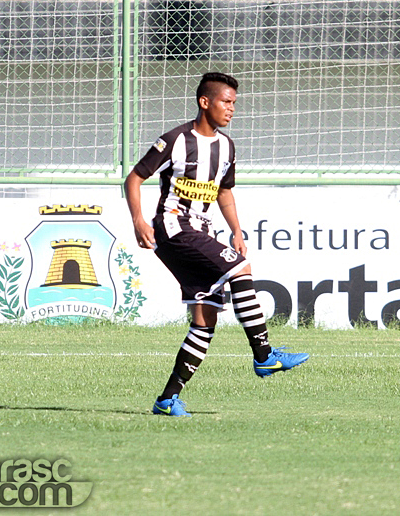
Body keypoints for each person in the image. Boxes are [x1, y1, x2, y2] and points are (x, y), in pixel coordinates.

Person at [124, 72, 309, 417]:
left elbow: (224, 191)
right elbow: (134, 178)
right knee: (240, 269)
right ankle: (264, 355)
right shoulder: (176, 140)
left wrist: (237, 231)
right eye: (226, 101)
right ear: (204, 102)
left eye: (234, 103)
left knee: (205, 318)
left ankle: (167, 399)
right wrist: (138, 219)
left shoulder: (226, 146)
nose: (231, 109)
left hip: (202, 231)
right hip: (174, 228)